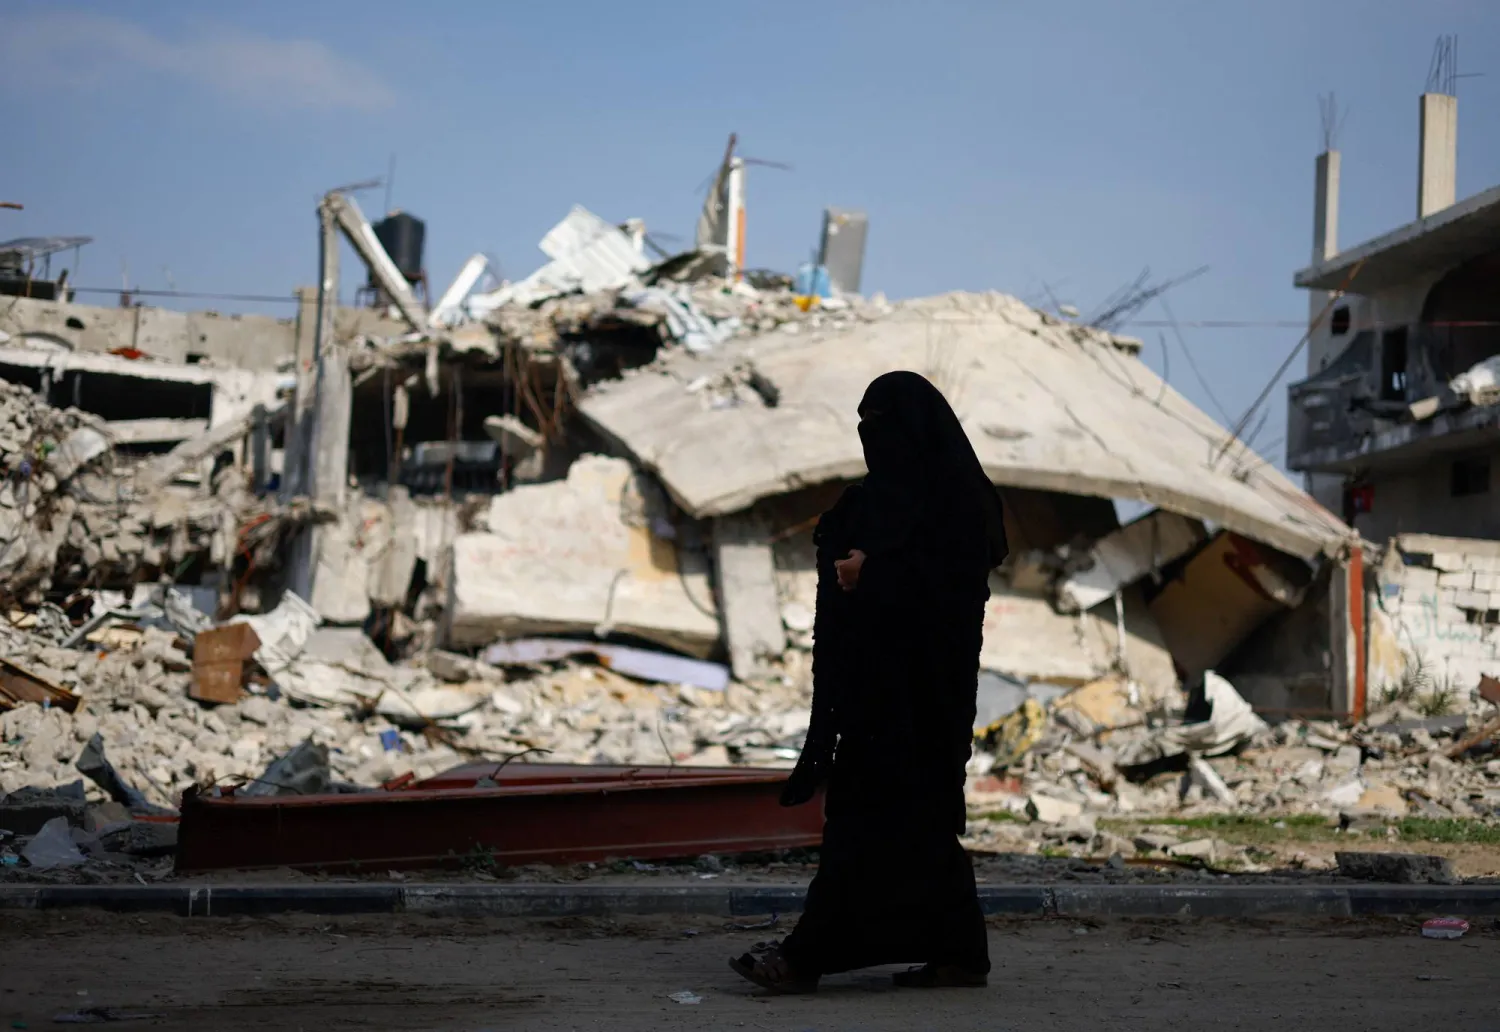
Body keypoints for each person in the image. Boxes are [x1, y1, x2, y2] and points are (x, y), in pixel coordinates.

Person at [729, 370, 1009, 994]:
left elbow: (949, 588)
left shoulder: (962, 502)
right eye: (863, 425)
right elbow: (844, 542)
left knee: (868, 827)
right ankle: (962, 955)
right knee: (919, 831)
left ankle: (804, 958)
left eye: (882, 425)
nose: (869, 437)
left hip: (928, 698)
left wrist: (873, 573)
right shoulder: (873, 499)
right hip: (872, 694)